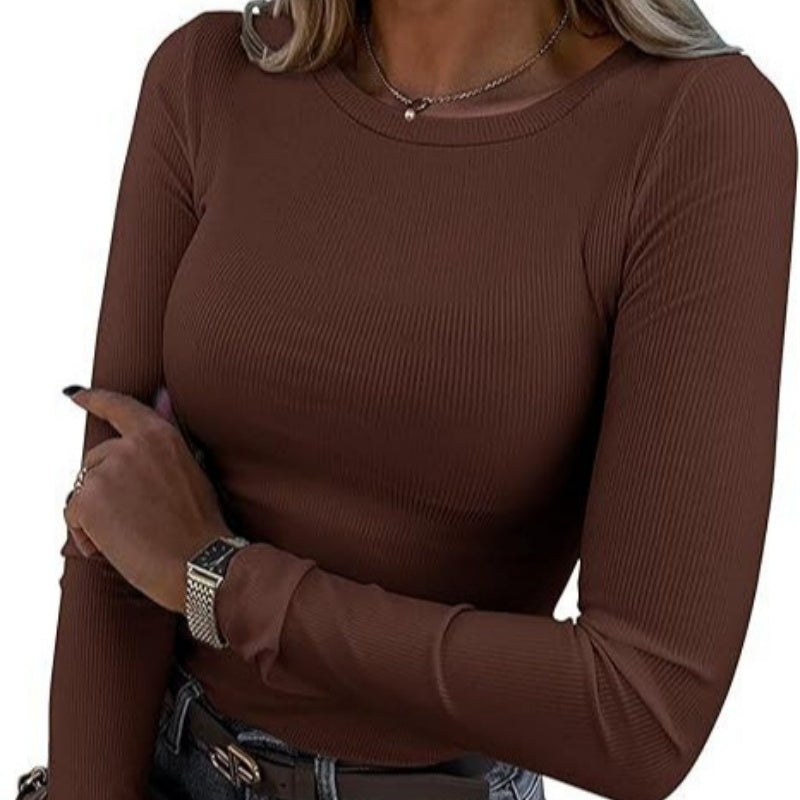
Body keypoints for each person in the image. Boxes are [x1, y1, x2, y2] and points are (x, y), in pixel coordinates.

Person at [45, 1, 796, 799]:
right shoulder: (210, 73)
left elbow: (642, 713)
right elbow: (113, 532)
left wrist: (227, 584)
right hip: (166, 764)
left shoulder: (695, 129)